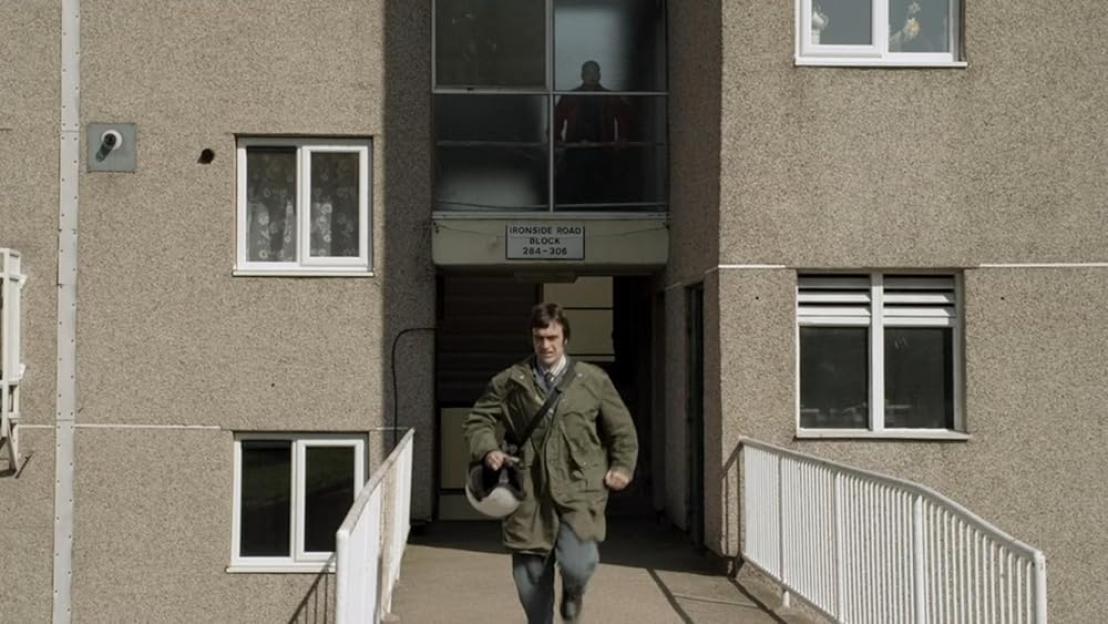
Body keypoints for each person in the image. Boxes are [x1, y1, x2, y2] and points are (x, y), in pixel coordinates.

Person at [464, 303, 639, 623]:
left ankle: (573, 592)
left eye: (552, 337)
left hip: (580, 489)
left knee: (579, 562)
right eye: (538, 337)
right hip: (529, 491)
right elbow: (478, 421)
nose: (545, 345)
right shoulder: (510, 381)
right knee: (529, 578)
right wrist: (488, 449)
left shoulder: (593, 380)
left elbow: (622, 431)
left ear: (565, 339)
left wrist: (622, 467)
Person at [553, 61, 634, 206]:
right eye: (588, 73)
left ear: (600, 75)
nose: (592, 76)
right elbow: (556, 119)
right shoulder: (570, 97)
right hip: (575, 152)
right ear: (582, 75)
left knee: (601, 192)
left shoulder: (610, 97)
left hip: (602, 152)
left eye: (595, 72)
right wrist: (556, 139)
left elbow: (625, 117)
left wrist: (623, 137)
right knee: (574, 192)